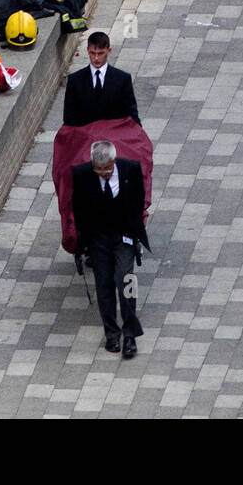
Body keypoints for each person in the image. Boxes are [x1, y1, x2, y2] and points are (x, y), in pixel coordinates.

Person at [72, 139, 150, 358]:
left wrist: (133, 232)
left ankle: (130, 334)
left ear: (114, 161)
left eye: (107, 170)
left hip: (123, 235)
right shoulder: (81, 174)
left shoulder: (131, 169)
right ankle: (111, 334)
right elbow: (78, 209)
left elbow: (138, 200)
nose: (104, 174)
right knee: (104, 285)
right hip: (98, 238)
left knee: (126, 280)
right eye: (99, 171)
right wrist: (82, 242)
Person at [63, 31, 141, 127]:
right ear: (88, 50)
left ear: (109, 51)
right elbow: (69, 117)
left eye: (100, 53)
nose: (96, 58)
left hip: (113, 137)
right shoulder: (75, 80)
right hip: (86, 137)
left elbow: (131, 115)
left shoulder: (122, 79)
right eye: (92, 53)